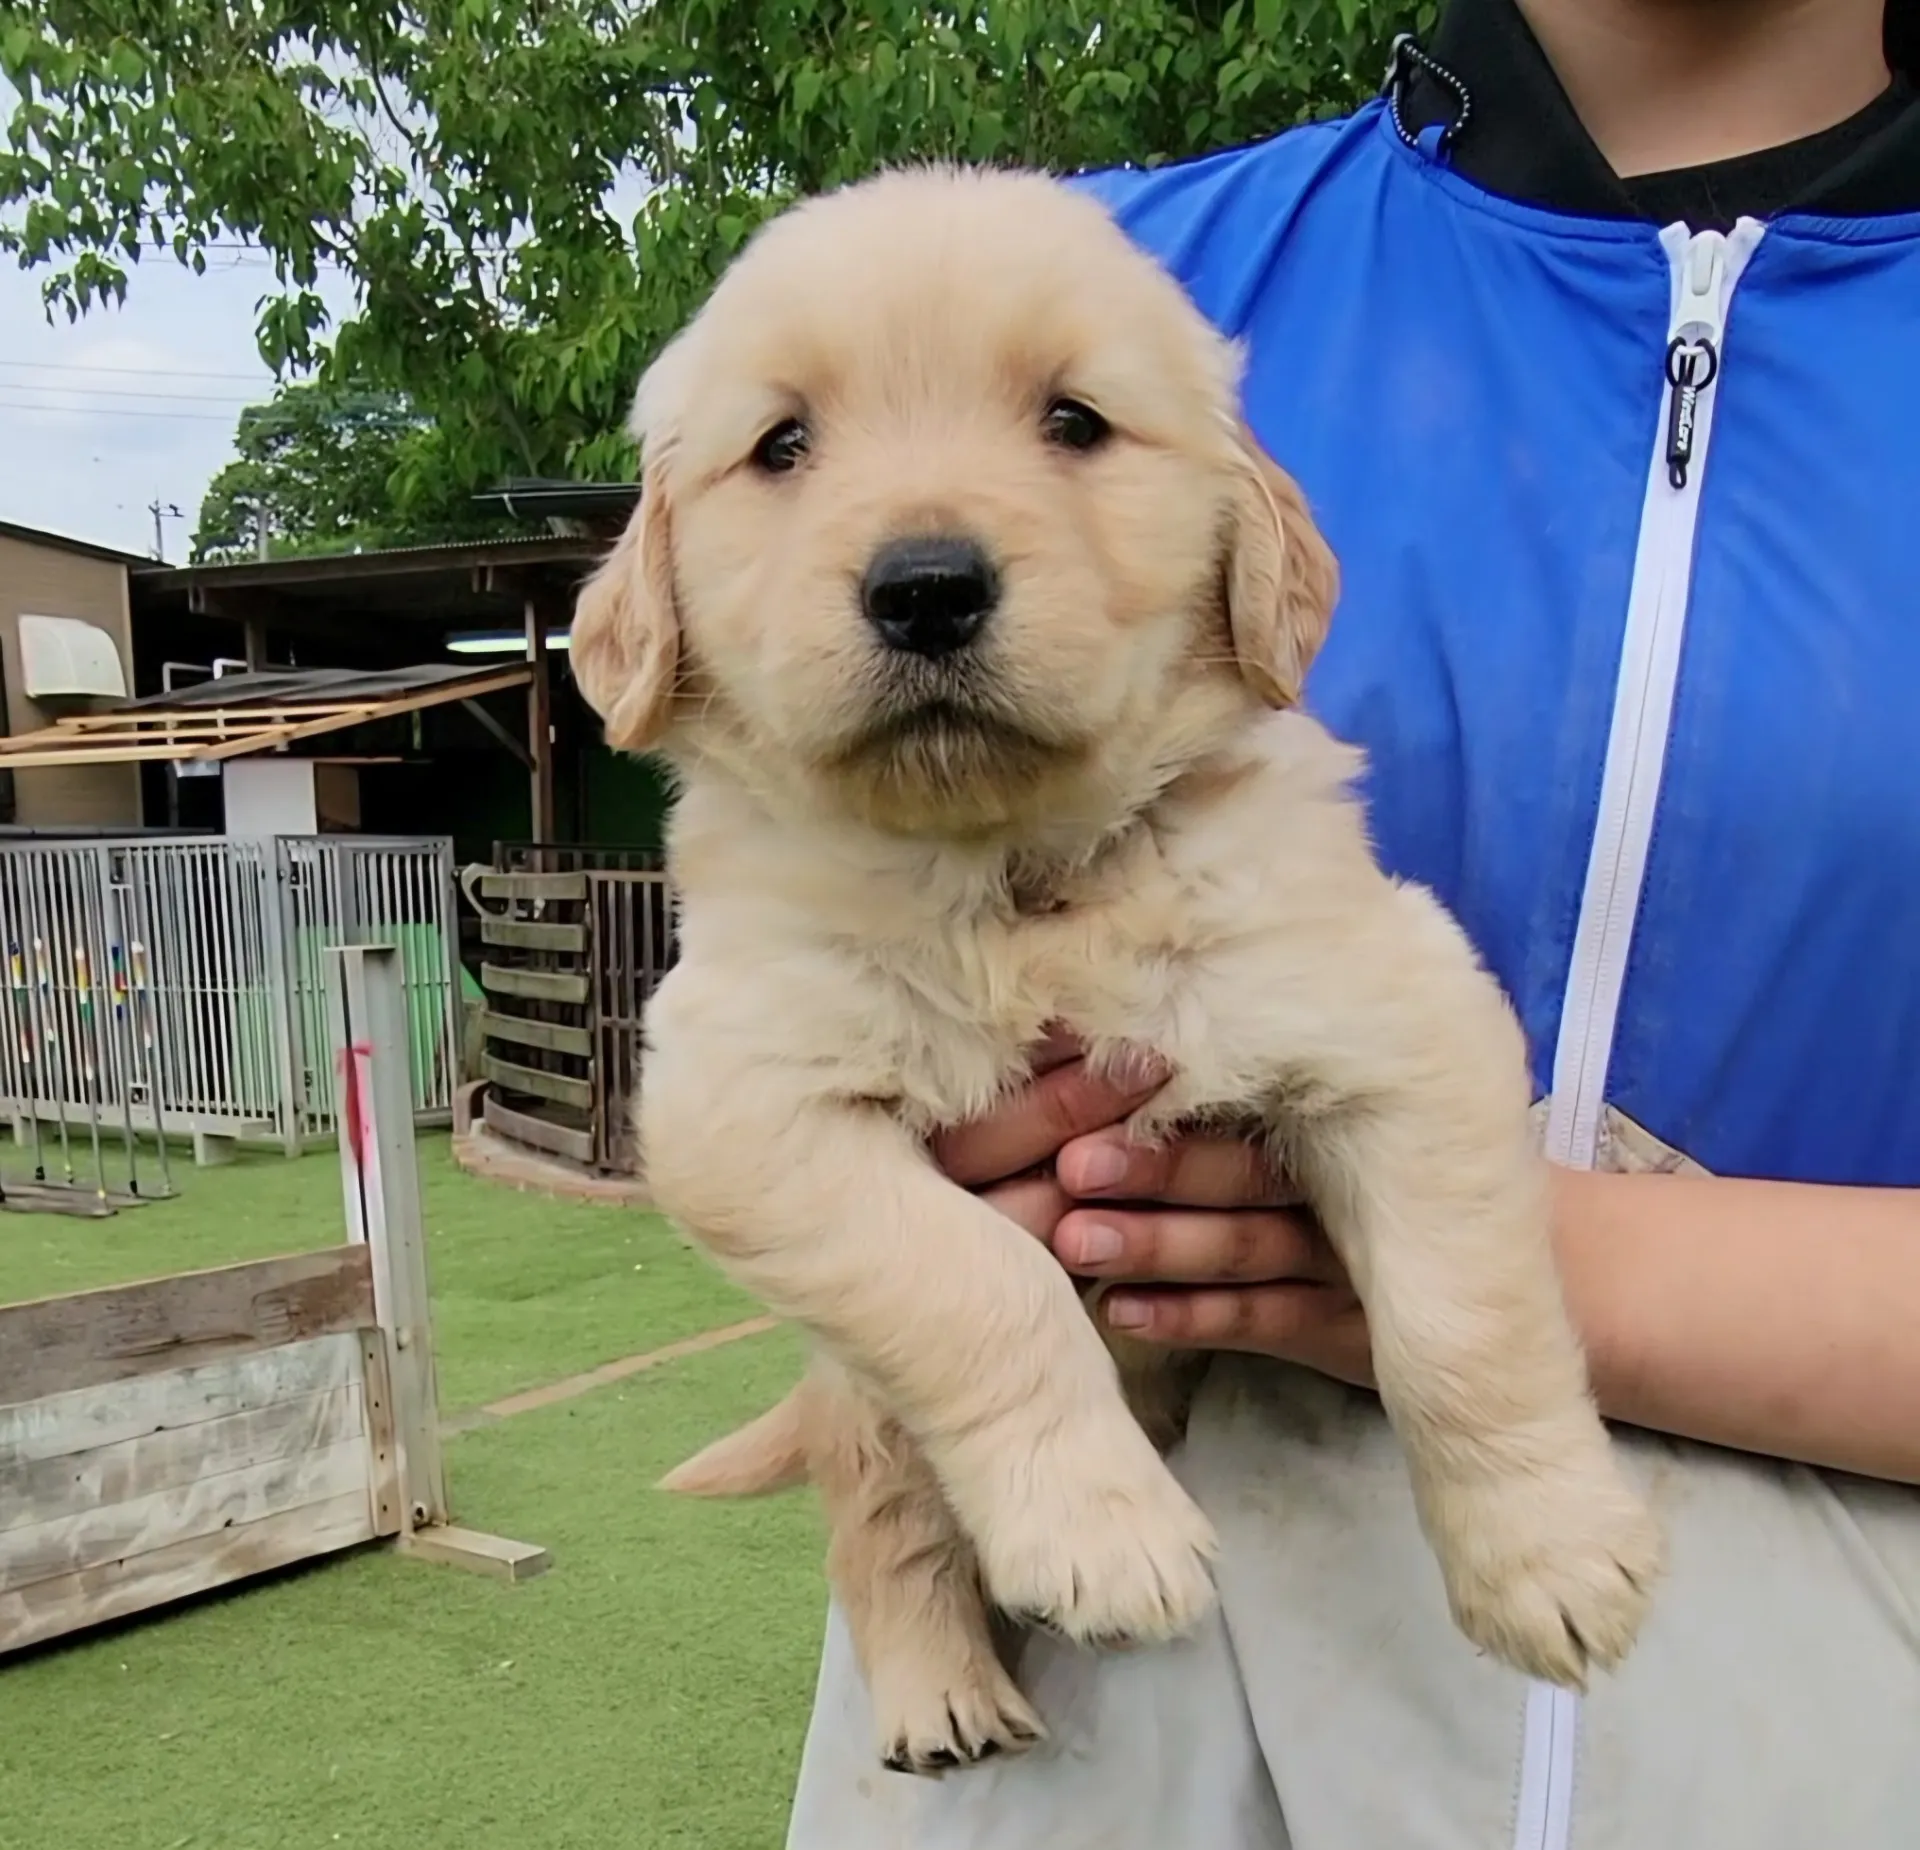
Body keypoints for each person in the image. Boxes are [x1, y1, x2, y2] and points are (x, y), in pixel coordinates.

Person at [784, 1, 1920, 1844]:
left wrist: (1483, 1254)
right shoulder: (1072, 297)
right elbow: (785, 918)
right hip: (1104, 1711)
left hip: (1819, 1731)